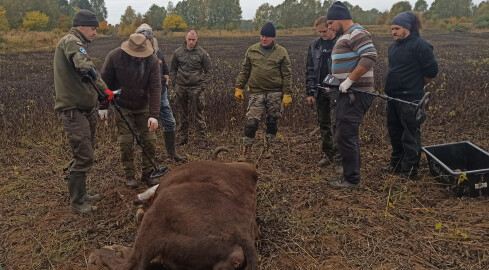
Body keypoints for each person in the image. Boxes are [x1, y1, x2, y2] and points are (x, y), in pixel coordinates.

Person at [54, 9, 113, 213]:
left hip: (84, 108)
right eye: (92, 28)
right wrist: (103, 89)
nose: (95, 32)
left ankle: (81, 193)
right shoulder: (72, 41)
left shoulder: (75, 42)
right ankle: (77, 202)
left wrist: (102, 92)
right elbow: (84, 66)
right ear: (81, 26)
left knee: (87, 150)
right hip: (73, 110)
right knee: (84, 155)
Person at [99, 33, 165, 189]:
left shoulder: (153, 61)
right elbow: (104, 83)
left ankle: (148, 173)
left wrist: (154, 115)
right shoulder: (114, 57)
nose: (138, 57)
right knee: (126, 141)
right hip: (122, 105)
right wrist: (103, 106)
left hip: (144, 105)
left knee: (150, 140)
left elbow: (156, 88)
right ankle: (129, 175)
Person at [326, 1, 378, 188]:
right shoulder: (347, 35)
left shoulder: (357, 33)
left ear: (341, 18)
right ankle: (351, 176)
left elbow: (370, 55)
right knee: (347, 135)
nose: (329, 27)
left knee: (346, 136)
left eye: (331, 23)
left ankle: (352, 180)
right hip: (346, 93)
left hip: (355, 94)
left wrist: (349, 80)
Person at [382, 12, 438, 179]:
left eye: (397, 28)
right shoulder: (393, 48)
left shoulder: (421, 46)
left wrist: (415, 86)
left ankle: (410, 170)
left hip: (411, 99)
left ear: (407, 28)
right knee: (395, 133)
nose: (393, 32)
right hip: (392, 98)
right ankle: (397, 164)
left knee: (410, 135)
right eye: (392, 28)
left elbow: (431, 72)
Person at [234, 22, 293, 162]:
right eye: (261, 36)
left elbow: (287, 74)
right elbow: (245, 70)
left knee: (272, 122)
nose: (263, 39)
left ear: (273, 38)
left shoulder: (281, 52)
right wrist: (239, 87)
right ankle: (246, 150)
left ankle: (268, 148)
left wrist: (287, 93)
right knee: (251, 123)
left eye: (266, 37)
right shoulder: (252, 50)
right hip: (256, 92)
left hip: (275, 93)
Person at [135, 23, 187, 161]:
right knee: (144, 128)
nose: (148, 40)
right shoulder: (133, 56)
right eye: (144, 38)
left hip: (161, 95)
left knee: (170, 122)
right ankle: (145, 158)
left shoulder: (158, 53)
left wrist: (165, 83)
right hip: (143, 97)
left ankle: (172, 154)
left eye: (149, 38)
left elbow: (165, 71)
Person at [305, 16, 341, 169]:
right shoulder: (314, 46)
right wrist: (310, 92)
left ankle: (340, 159)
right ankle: (329, 155)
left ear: (331, 28)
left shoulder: (341, 43)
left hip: (337, 91)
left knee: (337, 125)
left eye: (325, 31)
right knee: (324, 124)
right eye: (319, 32)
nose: (322, 34)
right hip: (320, 91)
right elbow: (310, 70)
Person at [170, 30, 212, 149]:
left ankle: (202, 139)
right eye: (189, 39)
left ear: (197, 39)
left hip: (196, 89)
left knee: (199, 115)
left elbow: (209, 72)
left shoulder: (202, 53)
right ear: (185, 38)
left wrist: (202, 86)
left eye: (194, 39)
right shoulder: (177, 52)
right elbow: (173, 70)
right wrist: (175, 84)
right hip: (181, 88)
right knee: (182, 114)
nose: (191, 42)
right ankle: (182, 137)